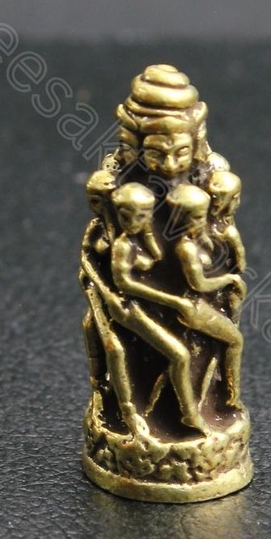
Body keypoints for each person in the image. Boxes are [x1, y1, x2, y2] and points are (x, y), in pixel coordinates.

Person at [82, 182, 208, 435]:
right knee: (179, 355)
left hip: (150, 307)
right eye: (126, 216)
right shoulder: (123, 246)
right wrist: (173, 301)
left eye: (142, 215)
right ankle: (189, 415)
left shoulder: (143, 238)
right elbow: (125, 285)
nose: (133, 222)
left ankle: (185, 409)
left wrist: (149, 233)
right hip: (129, 308)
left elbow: (157, 256)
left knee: (187, 348)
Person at [166, 184, 246, 408]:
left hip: (203, 304)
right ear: (181, 219)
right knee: (235, 341)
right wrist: (229, 280)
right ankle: (232, 395)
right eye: (197, 217)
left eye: (203, 216)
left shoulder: (200, 239)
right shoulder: (186, 248)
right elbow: (198, 283)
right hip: (194, 307)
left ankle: (219, 393)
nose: (202, 222)